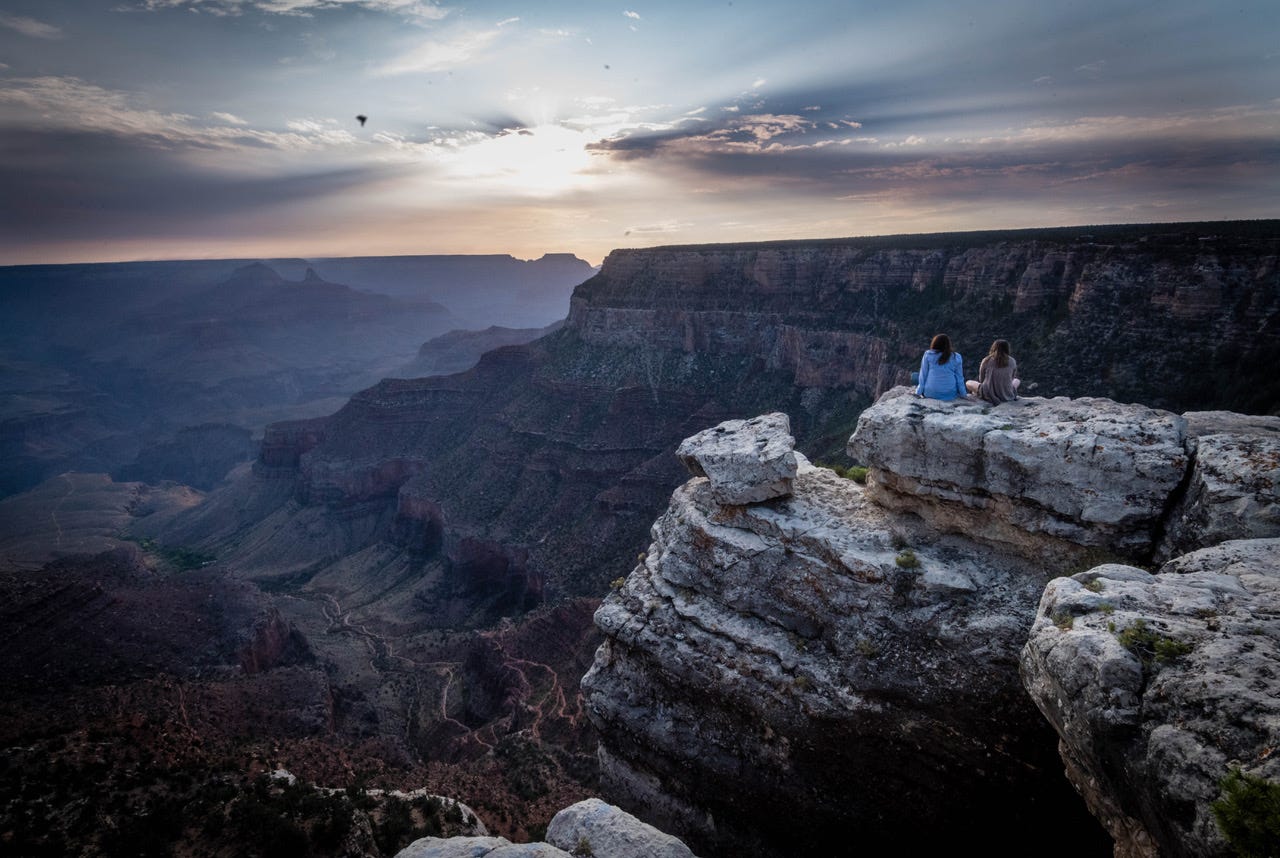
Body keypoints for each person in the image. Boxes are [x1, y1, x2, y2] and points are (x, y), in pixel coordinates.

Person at [966, 339, 1021, 404]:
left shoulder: (986, 360)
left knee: (968, 382)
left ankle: (977, 393)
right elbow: (1011, 378)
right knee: (1017, 380)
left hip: (988, 392)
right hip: (1007, 392)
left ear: (993, 348)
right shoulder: (1012, 361)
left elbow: (981, 379)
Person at [916, 333, 966, 400]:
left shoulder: (928, 355)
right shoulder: (956, 357)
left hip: (930, 393)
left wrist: (918, 392)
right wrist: (963, 394)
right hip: (949, 395)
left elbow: (923, 375)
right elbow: (959, 378)